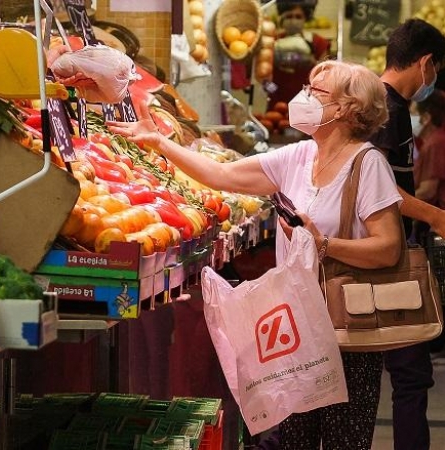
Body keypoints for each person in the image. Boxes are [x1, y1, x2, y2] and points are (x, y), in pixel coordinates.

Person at [108, 60, 402, 449]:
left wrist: (324, 245)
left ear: (346, 108)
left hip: (345, 332)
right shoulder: (297, 157)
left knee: (342, 441)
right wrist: (161, 142)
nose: (304, 97)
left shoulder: (368, 165)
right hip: (294, 331)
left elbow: (388, 248)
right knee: (294, 439)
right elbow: (220, 175)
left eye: (317, 92)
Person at [369, 19, 445, 450]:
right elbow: (380, 189)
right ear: (426, 63)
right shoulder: (389, 110)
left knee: (406, 376)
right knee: (412, 378)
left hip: (385, 257)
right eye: (435, 71)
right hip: (388, 261)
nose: (432, 81)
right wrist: (434, 216)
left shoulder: (384, 105)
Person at [269, 0, 330, 110]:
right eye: (289, 16)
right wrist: (271, 90)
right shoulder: (272, 42)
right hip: (277, 105)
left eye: (298, 16)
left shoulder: (318, 42)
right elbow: (263, 78)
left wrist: (312, 63)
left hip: (307, 104)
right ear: (282, 18)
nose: (293, 20)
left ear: (305, 18)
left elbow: (324, 78)